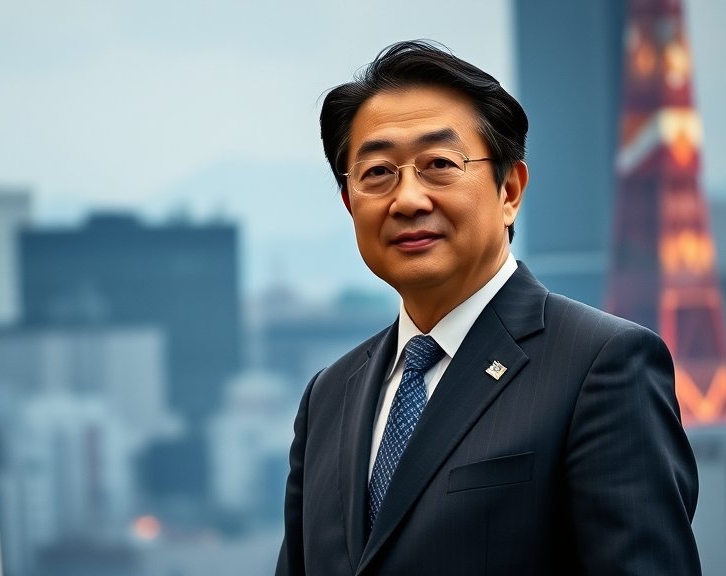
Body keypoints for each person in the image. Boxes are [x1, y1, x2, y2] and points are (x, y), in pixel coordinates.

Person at [275, 40, 700, 575]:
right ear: (348, 202)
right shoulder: (329, 396)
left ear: (509, 190)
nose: (407, 199)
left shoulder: (600, 365)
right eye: (378, 172)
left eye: (439, 164)